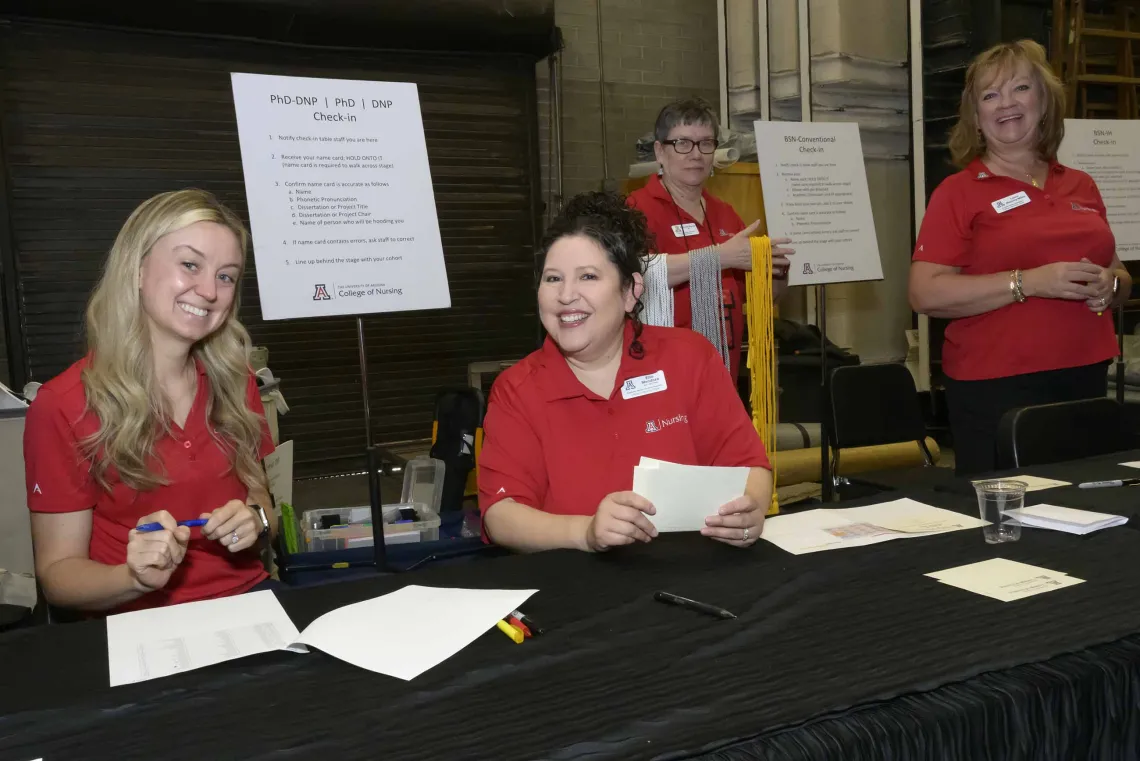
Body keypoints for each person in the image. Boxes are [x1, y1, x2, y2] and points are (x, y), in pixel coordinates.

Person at [24, 189, 277, 613]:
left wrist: (258, 521)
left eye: (226, 276)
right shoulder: (63, 405)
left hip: (246, 600)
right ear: (137, 270)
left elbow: (262, 500)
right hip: (135, 622)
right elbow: (58, 576)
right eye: (190, 265)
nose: (209, 291)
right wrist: (133, 577)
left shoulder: (237, 383)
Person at [477, 191, 773, 553]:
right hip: (575, 590)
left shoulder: (689, 358)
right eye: (553, 279)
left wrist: (750, 511)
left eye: (588, 276)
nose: (566, 295)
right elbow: (502, 515)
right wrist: (586, 533)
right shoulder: (518, 390)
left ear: (631, 292)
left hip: (692, 576)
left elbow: (749, 467)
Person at [909, 40, 1130, 476]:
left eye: (1020, 89)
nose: (1005, 104)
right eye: (990, 95)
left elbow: (1118, 270)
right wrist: (1029, 282)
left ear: (1044, 101)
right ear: (975, 116)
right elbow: (924, 293)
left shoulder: (1081, 184)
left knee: (1087, 514)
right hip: (997, 388)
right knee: (1008, 524)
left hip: (1085, 376)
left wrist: (1113, 285)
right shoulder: (958, 192)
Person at [627, 97, 794, 381]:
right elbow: (634, 278)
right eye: (682, 143)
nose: (696, 154)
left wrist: (775, 270)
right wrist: (721, 257)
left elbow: (761, 296)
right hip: (663, 370)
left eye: (706, 143)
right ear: (660, 152)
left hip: (722, 367)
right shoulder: (636, 209)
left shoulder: (725, 213)